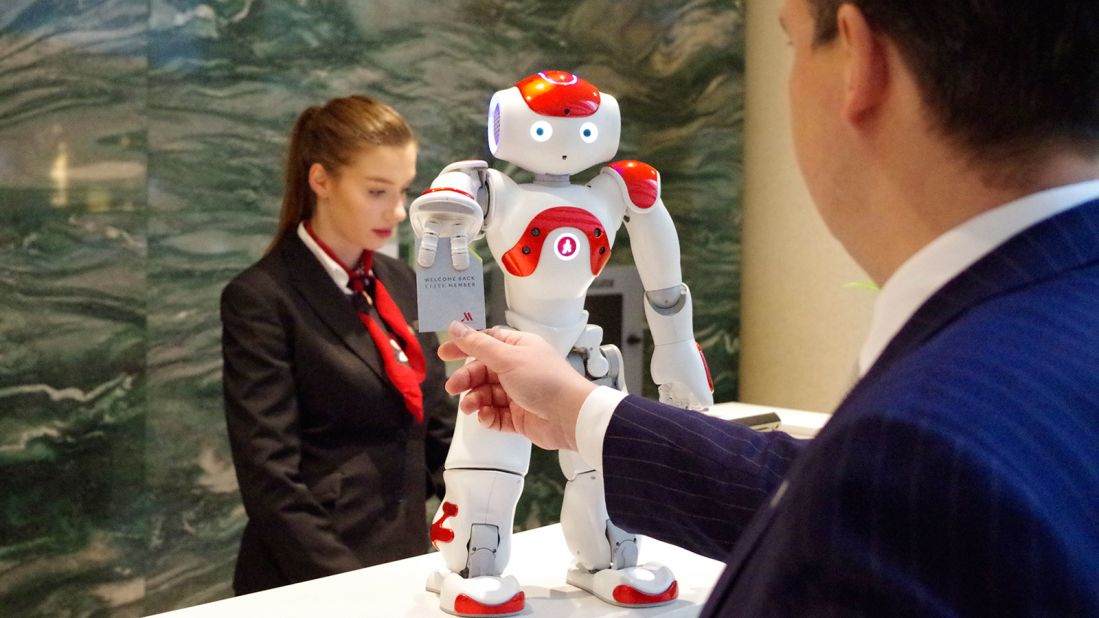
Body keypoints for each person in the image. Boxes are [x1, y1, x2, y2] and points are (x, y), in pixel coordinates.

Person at [436, 0, 1099, 615]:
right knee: (490, 470)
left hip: (575, 346)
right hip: (536, 354)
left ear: (856, 60)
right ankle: (470, 559)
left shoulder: (919, 442)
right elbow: (828, 497)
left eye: (787, 41)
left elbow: (876, 501)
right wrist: (585, 412)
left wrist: (673, 355)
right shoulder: (1043, 334)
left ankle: (602, 550)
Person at [220, 95, 456, 595]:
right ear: (321, 180)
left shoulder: (402, 282)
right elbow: (270, 480)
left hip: (405, 560)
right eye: (376, 191)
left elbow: (437, 427)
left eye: (403, 190)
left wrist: (484, 521)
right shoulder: (261, 298)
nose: (397, 210)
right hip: (311, 575)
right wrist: (347, 591)